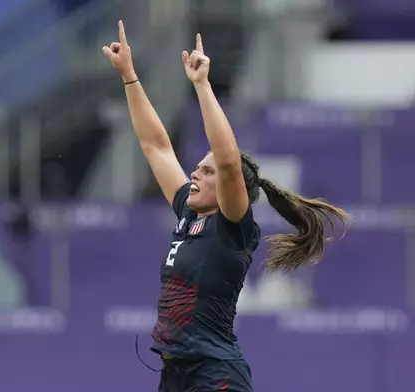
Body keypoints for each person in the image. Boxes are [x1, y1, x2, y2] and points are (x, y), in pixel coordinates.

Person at [102, 21, 350, 392]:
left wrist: (202, 86)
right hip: (175, 375)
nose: (194, 173)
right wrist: (130, 78)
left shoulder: (233, 225)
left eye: (206, 170)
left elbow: (230, 162)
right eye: (197, 167)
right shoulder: (189, 211)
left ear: (230, 189)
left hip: (215, 373)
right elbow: (156, 145)